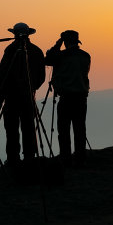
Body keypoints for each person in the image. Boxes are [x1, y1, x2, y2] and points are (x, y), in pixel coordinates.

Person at [0, 23, 45, 162]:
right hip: (29, 97)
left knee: (11, 130)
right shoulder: (36, 50)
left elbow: (3, 74)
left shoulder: (11, 49)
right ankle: (29, 157)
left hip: (11, 97)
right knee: (29, 128)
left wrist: (3, 91)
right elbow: (41, 77)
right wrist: (31, 87)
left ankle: (13, 159)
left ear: (14, 34)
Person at [45, 30, 91, 166]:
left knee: (64, 129)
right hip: (82, 97)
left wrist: (57, 44)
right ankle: (80, 157)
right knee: (80, 128)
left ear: (65, 42)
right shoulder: (86, 56)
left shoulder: (62, 56)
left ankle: (66, 158)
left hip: (66, 97)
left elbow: (47, 60)